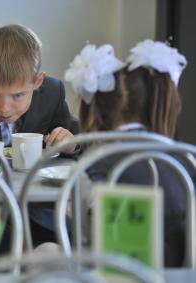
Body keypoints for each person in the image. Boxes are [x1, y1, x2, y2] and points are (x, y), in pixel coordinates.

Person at [65, 40, 188, 267]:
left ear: (97, 109)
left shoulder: (89, 168)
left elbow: (82, 247)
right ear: (157, 102)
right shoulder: (188, 161)